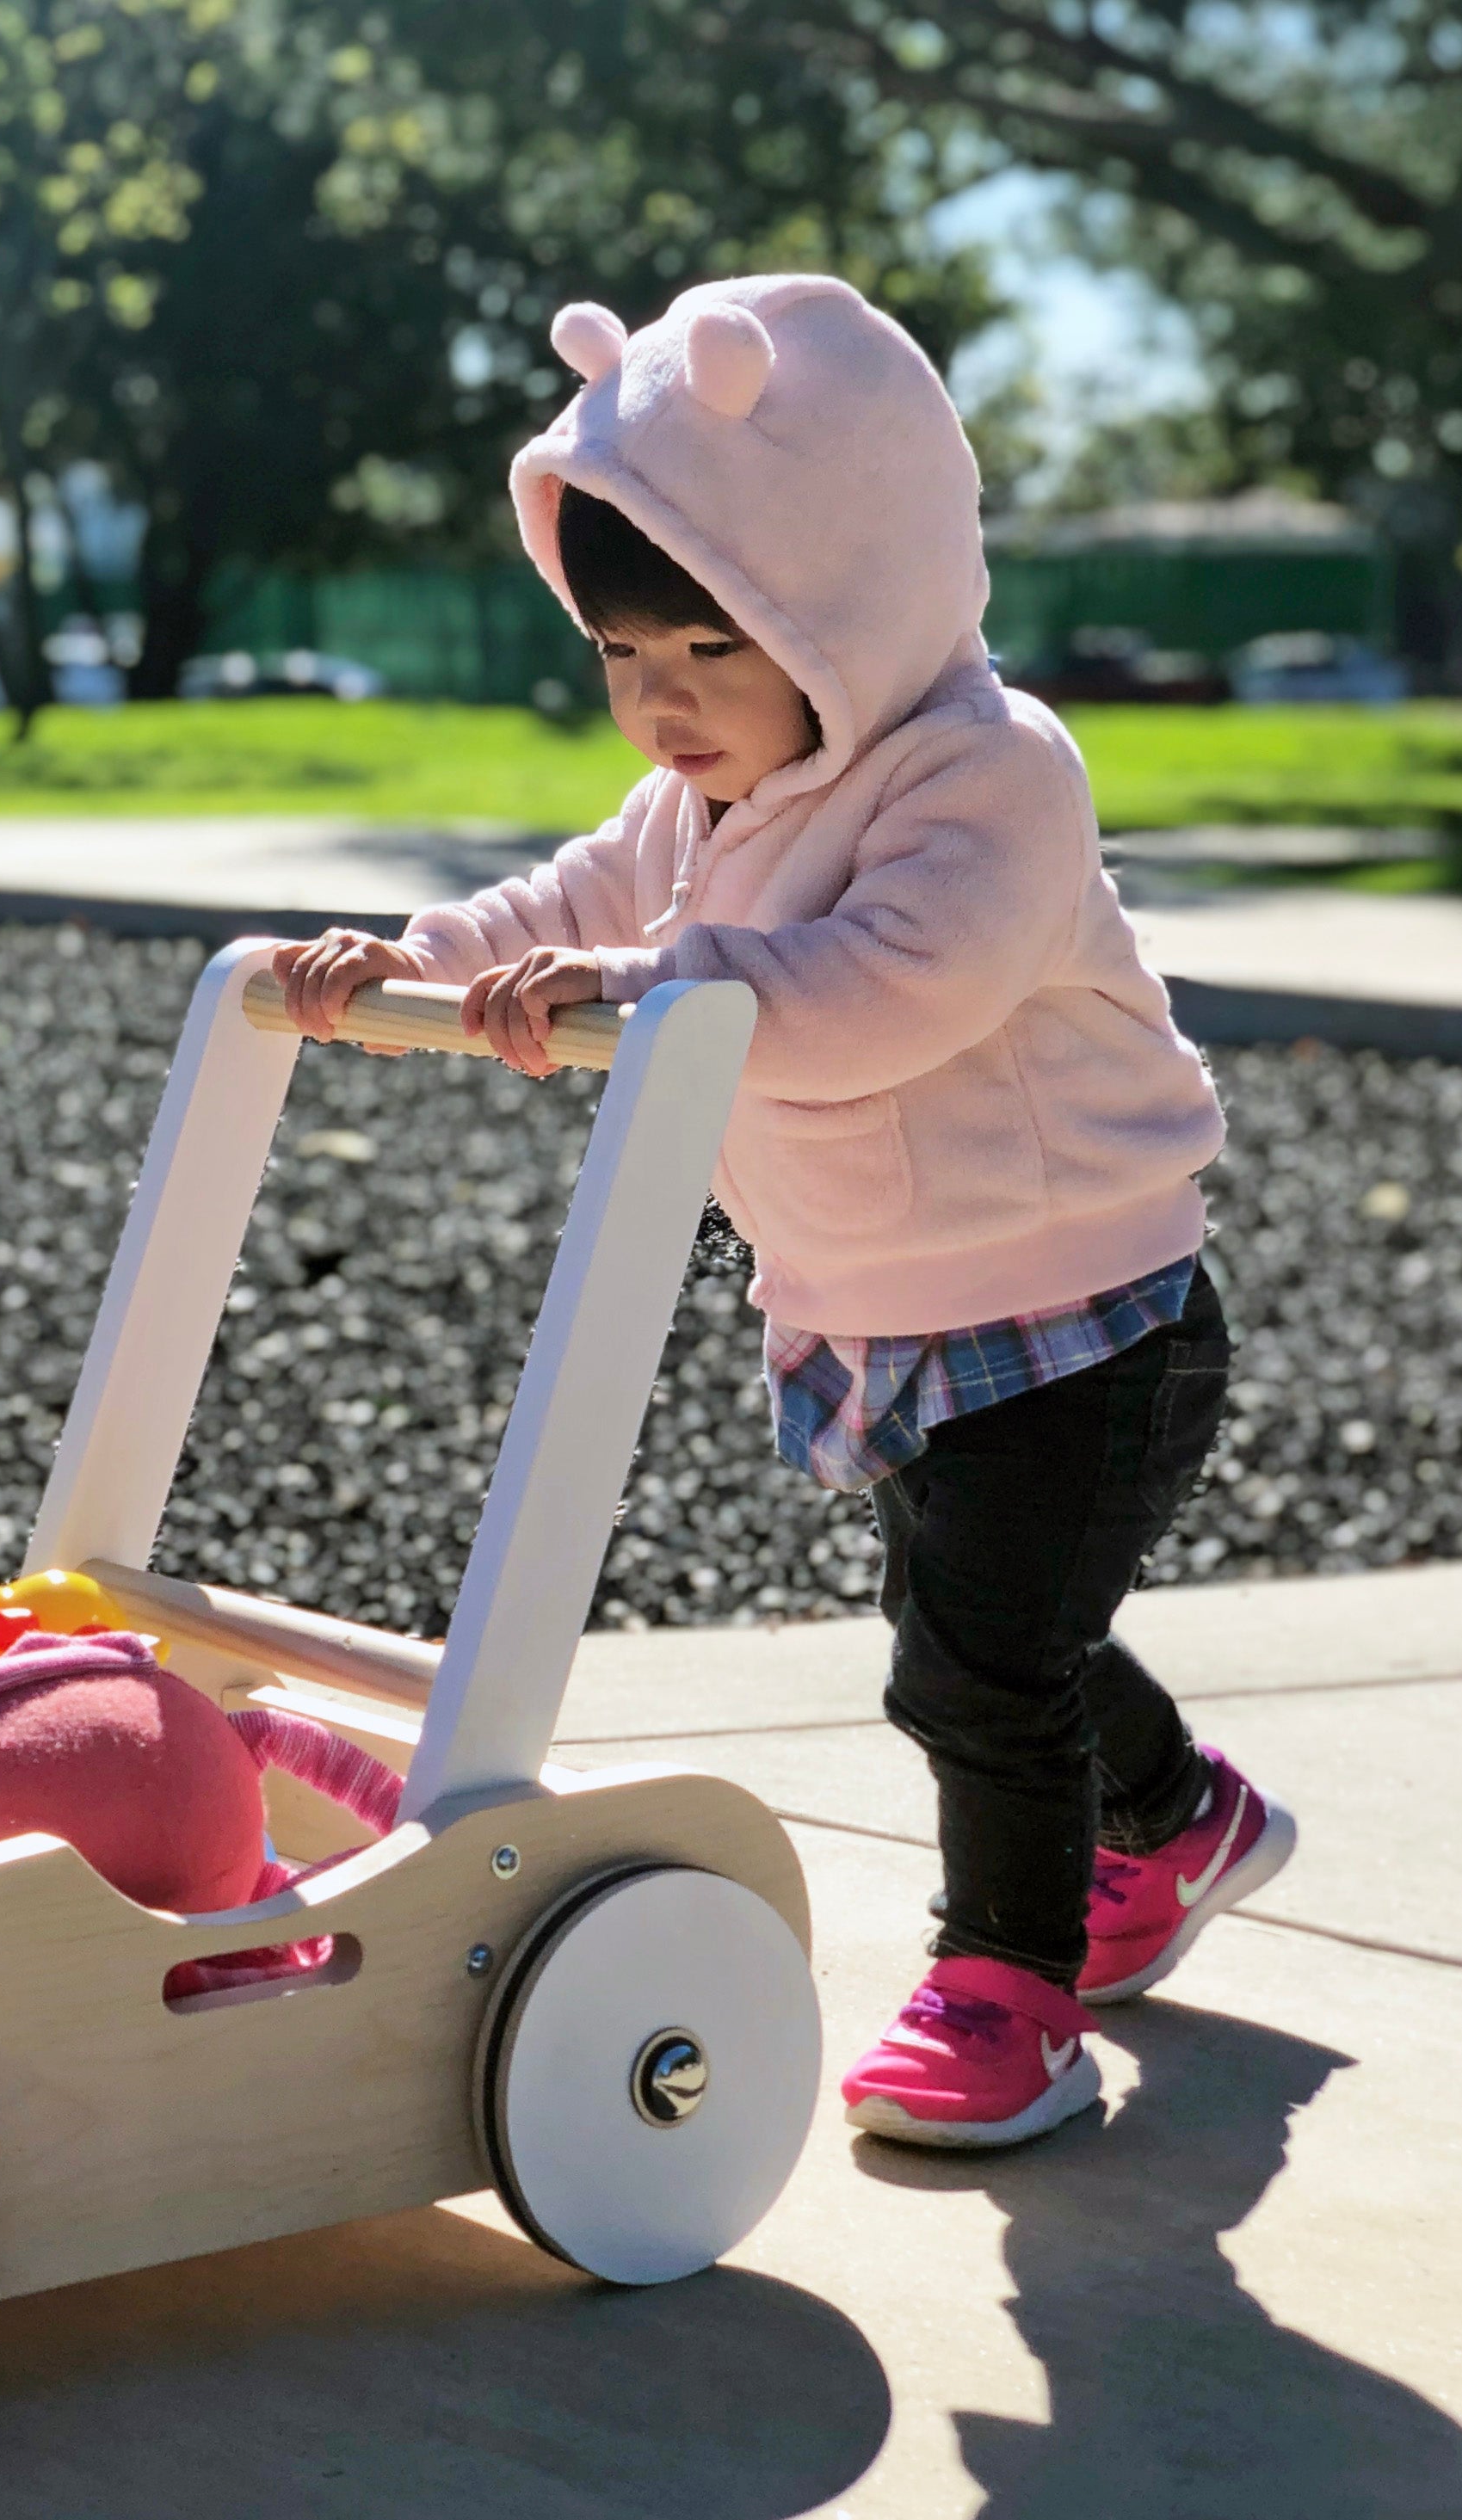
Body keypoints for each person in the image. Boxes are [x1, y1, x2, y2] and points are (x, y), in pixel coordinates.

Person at [273, 278, 1296, 2151]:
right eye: (619, 655)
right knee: (985, 1621)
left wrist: (649, 975)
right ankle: (1183, 1817)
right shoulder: (696, 792)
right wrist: (411, 963)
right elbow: (568, 891)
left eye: (704, 651)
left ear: (846, 604)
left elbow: (881, 991)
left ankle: (1008, 1985)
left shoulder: (990, 775)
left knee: (972, 1660)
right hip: (885, 1295)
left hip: (1086, 1310)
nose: (659, 705)